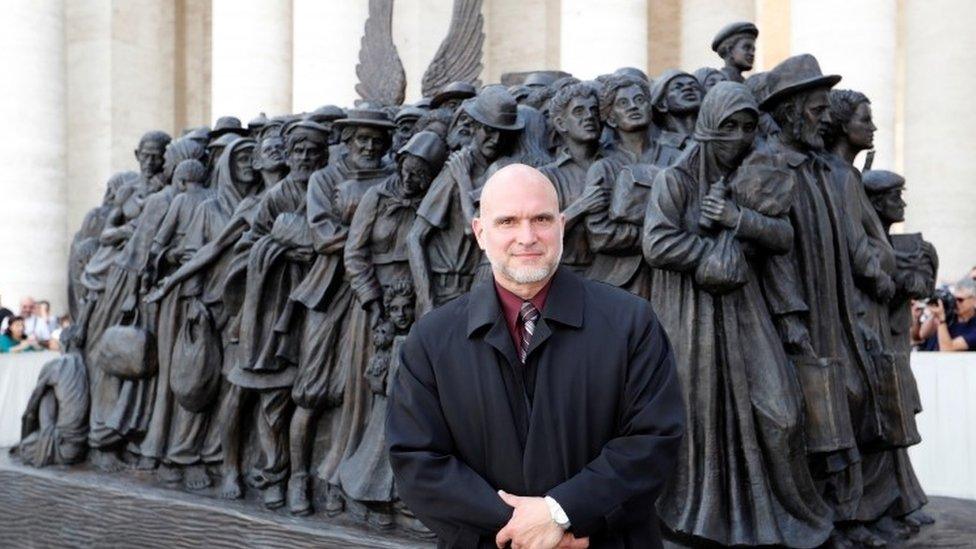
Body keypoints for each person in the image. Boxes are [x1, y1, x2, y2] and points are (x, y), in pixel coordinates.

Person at [387, 163, 684, 548]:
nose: (527, 237)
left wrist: (563, 513)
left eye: (541, 218)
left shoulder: (631, 323)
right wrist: (526, 530)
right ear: (480, 232)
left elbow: (653, 441)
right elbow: (417, 460)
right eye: (508, 221)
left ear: (562, 225)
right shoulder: (430, 340)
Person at [643, 81, 833, 547]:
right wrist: (707, 254)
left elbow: (781, 236)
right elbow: (657, 242)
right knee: (702, 419)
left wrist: (735, 219)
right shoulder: (676, 179)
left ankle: (785, 518)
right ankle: (703, 520)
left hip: (745, 308)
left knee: (781, 412)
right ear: (709, 127)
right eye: (731, 127)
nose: (742, 137)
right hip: (692, 314)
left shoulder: (753, 175)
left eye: (749, 127)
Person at [918, 277, 976, 351]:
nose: (955, 303)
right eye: (954, 299)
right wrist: (934, 313)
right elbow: (923, 334)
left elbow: (947, 348)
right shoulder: (949, 313)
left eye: (960, 300)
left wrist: (941, 321)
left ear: (974, 300)